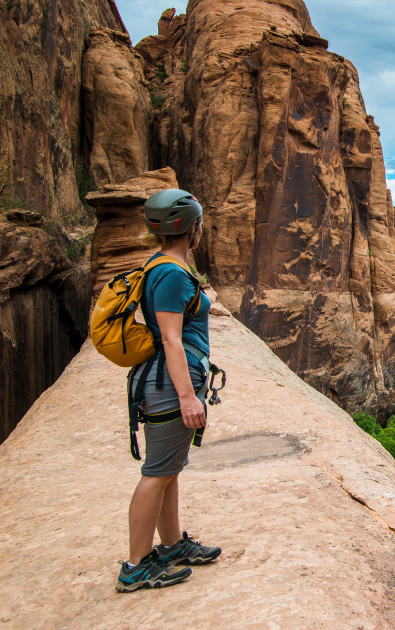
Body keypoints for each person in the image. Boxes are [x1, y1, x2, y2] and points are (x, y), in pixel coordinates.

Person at [116, 189, 222, 592]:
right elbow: (171, 339)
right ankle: (136, 567)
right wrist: (187, 396)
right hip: (168, 383)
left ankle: (173, 544)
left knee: (169, 468)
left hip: (165, 379)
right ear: (192, 229)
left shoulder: (162, 265)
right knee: (157, 473)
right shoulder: (172, 274)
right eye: (200, 224)